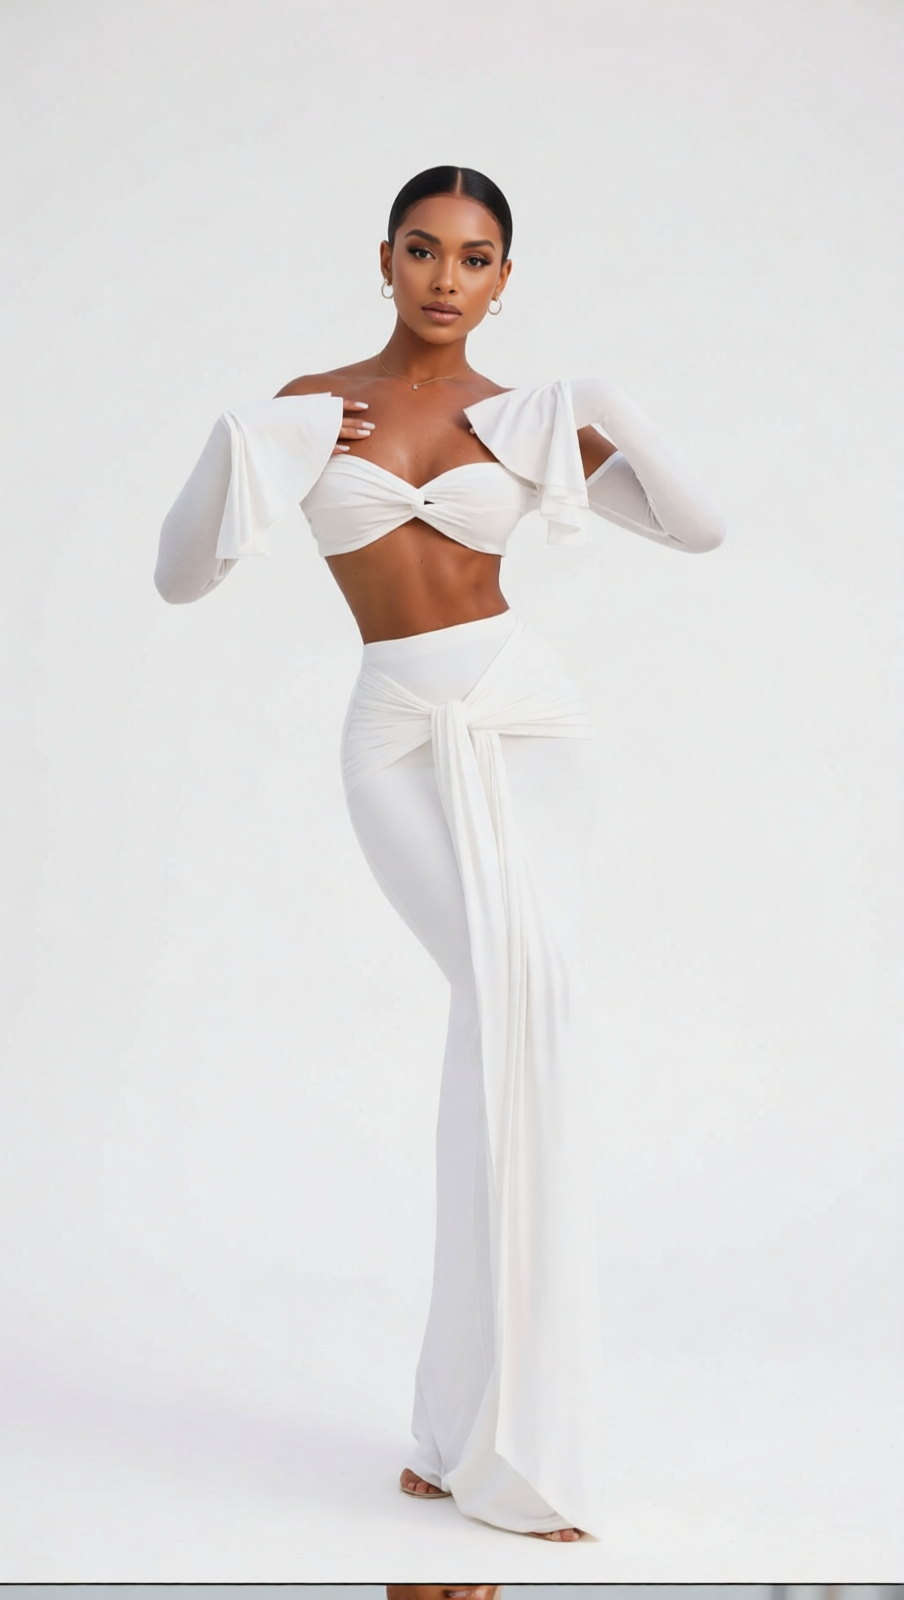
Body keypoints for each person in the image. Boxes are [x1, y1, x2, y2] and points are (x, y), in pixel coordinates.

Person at [154, 164, 726, 1542]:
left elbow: (699, 526)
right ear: (387, 260)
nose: (446, 279)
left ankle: (482, 1435)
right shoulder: (313, 409)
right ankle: (478, 1428)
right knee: (503, 1007)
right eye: (424, 250)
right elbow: (180, 577)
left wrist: (605, 404)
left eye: (475, 258)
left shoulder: (523, 420)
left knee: (525, 1017)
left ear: (505, 280)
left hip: (531, 720)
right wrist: (241, 443)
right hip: (399, 733)